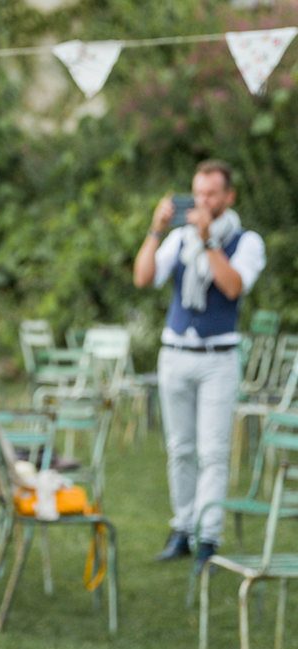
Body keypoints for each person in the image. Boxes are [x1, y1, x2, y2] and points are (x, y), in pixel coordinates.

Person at [132, 159, 265, 570]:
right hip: (174, 354)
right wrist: (157, 230)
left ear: (229, 196)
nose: (203, 200)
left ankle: (209, 536)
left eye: (212, 193)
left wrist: (208, 242)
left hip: (218, 360)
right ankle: (182, 528)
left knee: (213, 451)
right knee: (180, 449)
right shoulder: (180, 237)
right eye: (198, 192)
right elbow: (143, 278)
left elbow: (233, 286)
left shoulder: (247, 241)